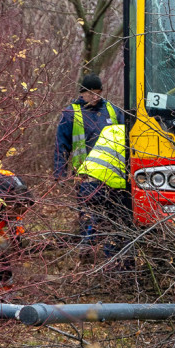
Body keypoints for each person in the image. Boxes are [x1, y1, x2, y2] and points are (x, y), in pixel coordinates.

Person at [55, 74, 119, 240]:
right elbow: (61, 146)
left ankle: (107, 250)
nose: (95, 97)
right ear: (82, 93)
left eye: (98, 93)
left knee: (113, 215)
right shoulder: (71, 114)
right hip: (85, 175)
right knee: (88, 213)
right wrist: (60, 174)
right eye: (91, 93)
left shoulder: (112, 110)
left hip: (112, 173)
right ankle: (87, 249)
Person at [75, 122, 131, 258]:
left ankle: (86, 249)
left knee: (99, 217)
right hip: (102, 185)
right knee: (117, 222)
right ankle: (112, 261)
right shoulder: (134, 136)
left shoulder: (111, 130)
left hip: (87, 181)